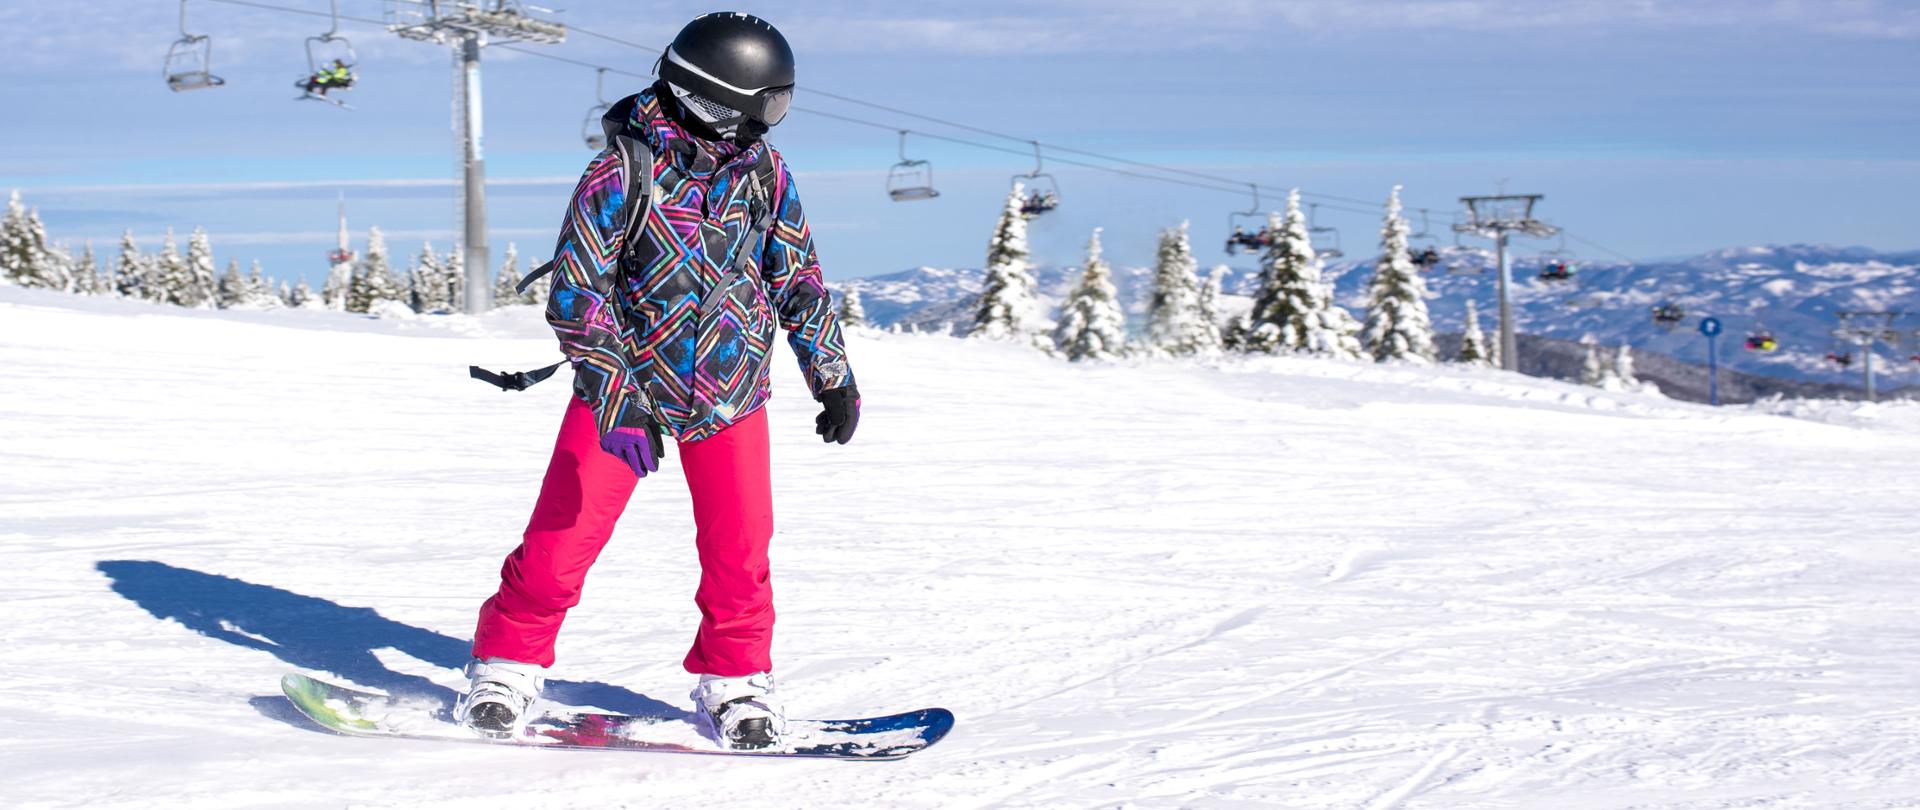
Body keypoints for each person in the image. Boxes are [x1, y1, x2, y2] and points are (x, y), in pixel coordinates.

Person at [457, 12, 857, 751]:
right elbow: (576, 294)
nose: (769, 124)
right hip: (626, 392)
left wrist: (831, 376)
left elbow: (796, 277)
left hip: (731, 392)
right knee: (559, 543)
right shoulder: (622, 172)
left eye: (779, 106)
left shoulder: (764, 174)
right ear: (712, 100)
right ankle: (506, 664)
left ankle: (736, 682)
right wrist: (620, 396)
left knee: (740, 554)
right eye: (763, 106)